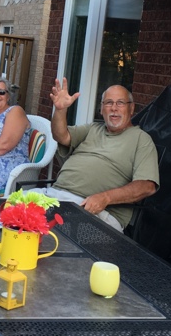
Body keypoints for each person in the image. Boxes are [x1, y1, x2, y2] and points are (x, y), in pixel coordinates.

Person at [29, 78, 159, 232]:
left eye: (120, 103)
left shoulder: (141, 140)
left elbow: (147, 186)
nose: (114, 108)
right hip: (54, 196)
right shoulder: (92, 129)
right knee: (9, 209)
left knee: (45, 235)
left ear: (131, 108)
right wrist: (60, 110)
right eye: (109, 103)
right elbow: (61, 136)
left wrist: (105, 197)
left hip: (95, 212)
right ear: (101, 109)